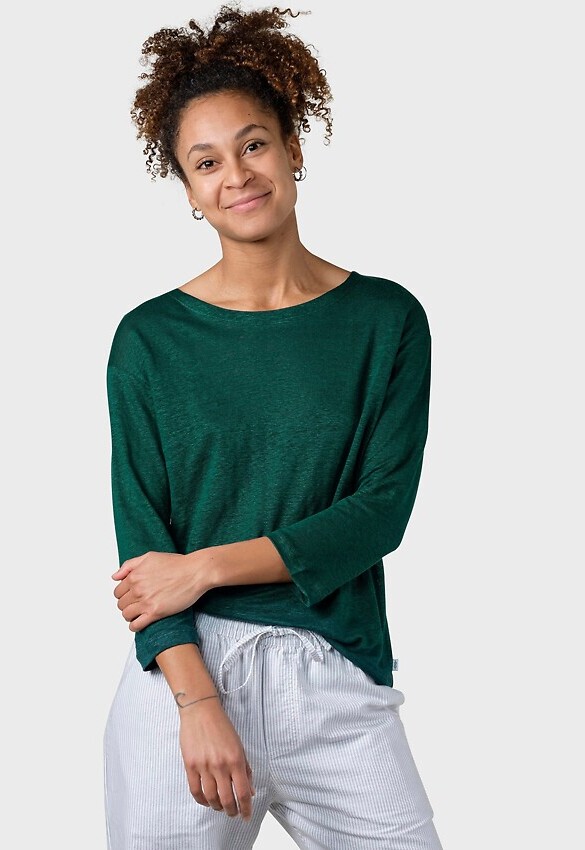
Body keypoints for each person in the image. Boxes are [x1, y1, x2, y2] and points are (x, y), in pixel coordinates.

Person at [103, 5, 443, 849]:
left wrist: (204, 567)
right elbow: (145, 545)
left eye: (252, 145)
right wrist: (196, 702)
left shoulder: (385, 320)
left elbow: (378, 514)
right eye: (206, 162)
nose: (236, 175)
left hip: (336, 671)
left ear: (292, 147)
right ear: (188, 189)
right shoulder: (149, 340)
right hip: (184, 678)